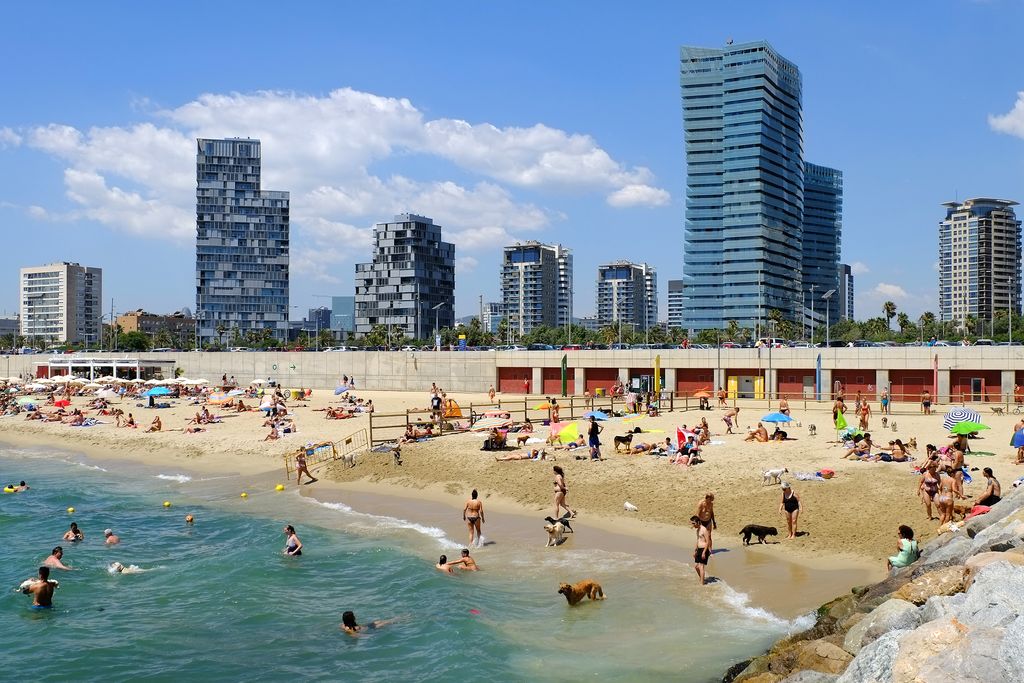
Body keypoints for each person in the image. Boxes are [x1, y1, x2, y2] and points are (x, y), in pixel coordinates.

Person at [691, 515, 711, 585]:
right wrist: (695, 551)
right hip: (699, 549)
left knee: (701, 566)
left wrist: (704, 552)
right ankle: (702, 579)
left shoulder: (704, 529)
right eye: (692, 523)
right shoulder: (698, 530)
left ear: (698, 522)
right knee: (696, 567)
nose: (693, 525)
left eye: (694, 523)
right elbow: (698, 540)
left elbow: (708, 541)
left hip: (704, 550)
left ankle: (702, 583)